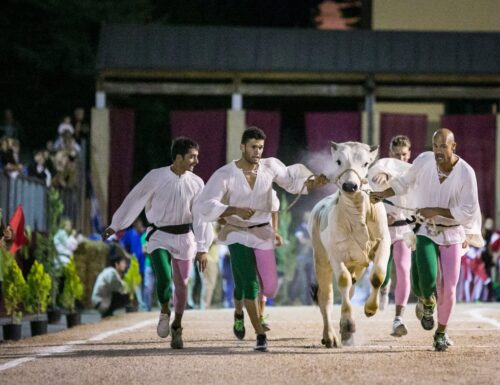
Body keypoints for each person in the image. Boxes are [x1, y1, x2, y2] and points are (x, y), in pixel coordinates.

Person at [194, 126, 327, 352]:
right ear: (242, 147)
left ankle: (239, 310)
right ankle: (260, 334)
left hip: (263, 231)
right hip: (236, 231)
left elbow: (292, 182)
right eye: (253, 147)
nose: (257, 151)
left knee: (270, 288)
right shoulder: (224, 174)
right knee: (249, 284)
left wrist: (312, 183)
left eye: (261, 147)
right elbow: (204, 205)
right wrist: (232, 209)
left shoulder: (270, 166)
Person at [370, 128, 483, 351]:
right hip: (425, 229)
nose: (438, 151)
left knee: (449, 287)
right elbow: (403, 183)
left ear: (454, 146)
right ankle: (426, 301)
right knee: (428, 282)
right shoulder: (423, 161)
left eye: (443, 146)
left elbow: (468, 211)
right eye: (435, 146)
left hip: (452, 232)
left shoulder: (466, 173)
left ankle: (441, 333)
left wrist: (436, 210)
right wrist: (382, 194)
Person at [102, 137, 211, 350]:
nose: (196, 161)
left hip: (185, 237)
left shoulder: (197, 183)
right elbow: (135, 199)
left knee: (183, 285)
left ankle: (177, 327)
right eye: (192, 157)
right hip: (159, 235)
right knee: (163, 275)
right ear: (179, 157)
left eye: (197, 156)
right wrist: (116, 224)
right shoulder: (156, 177)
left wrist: (203, 247)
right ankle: (164, 311)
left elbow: (201, 216)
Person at [368, 135, 413, 337]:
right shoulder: (379, 169)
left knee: (403, 269)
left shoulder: (413, 172)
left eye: (404, 154)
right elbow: (367, 199)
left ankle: (398, 318)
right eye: (396, 154)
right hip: (383, 230)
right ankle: (384, 288)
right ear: (389, 153)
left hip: (404, 229)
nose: (400, 158)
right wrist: (383, 216)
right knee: (382, 271)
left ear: (409, 154)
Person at [91, 249, 130, 317]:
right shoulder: (112, 273)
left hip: (100, 300)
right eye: (123, 263)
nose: (125, 265)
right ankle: (107, 313)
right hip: (101, 302)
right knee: (124, 295)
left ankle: (108, 312)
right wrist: (127, 288)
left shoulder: (110, 271)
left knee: (123, 293)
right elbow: (117, 287)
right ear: (116, 264)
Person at [287, 210, 315, 305]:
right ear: (304, 217)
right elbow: (301, 241)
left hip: (310, 258)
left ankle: (309, 301)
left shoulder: (313, 229)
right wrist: (311, 241)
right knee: (298, 278)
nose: (308, 217)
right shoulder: (299, 228)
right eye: (306, 216)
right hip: (301, 257)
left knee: (311, 279)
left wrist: (310, 242)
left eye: (309, 216)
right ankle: (291, 298)